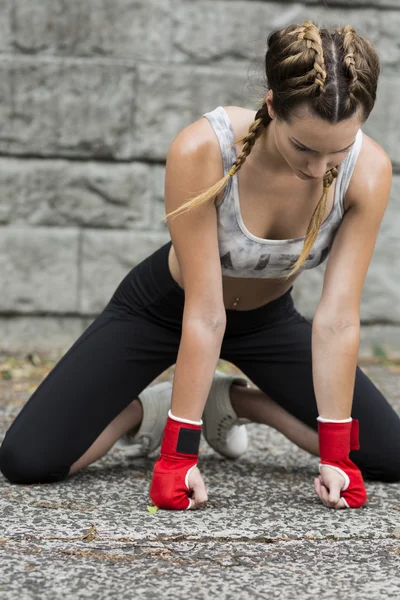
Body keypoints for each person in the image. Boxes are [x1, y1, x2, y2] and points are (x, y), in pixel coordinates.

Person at [1, 20, 399, 512]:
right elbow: (206, 312)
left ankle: (233, 403)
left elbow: (337, 319)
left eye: (337, 150)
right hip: (166, 308)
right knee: (27, 461)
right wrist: (177, 454)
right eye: (304, 147)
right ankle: (143, 414)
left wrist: (335, 456)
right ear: (272, 106)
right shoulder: (203, 149)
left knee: (388, 457)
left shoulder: (369, 171)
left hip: (265, 322)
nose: (319, 170)